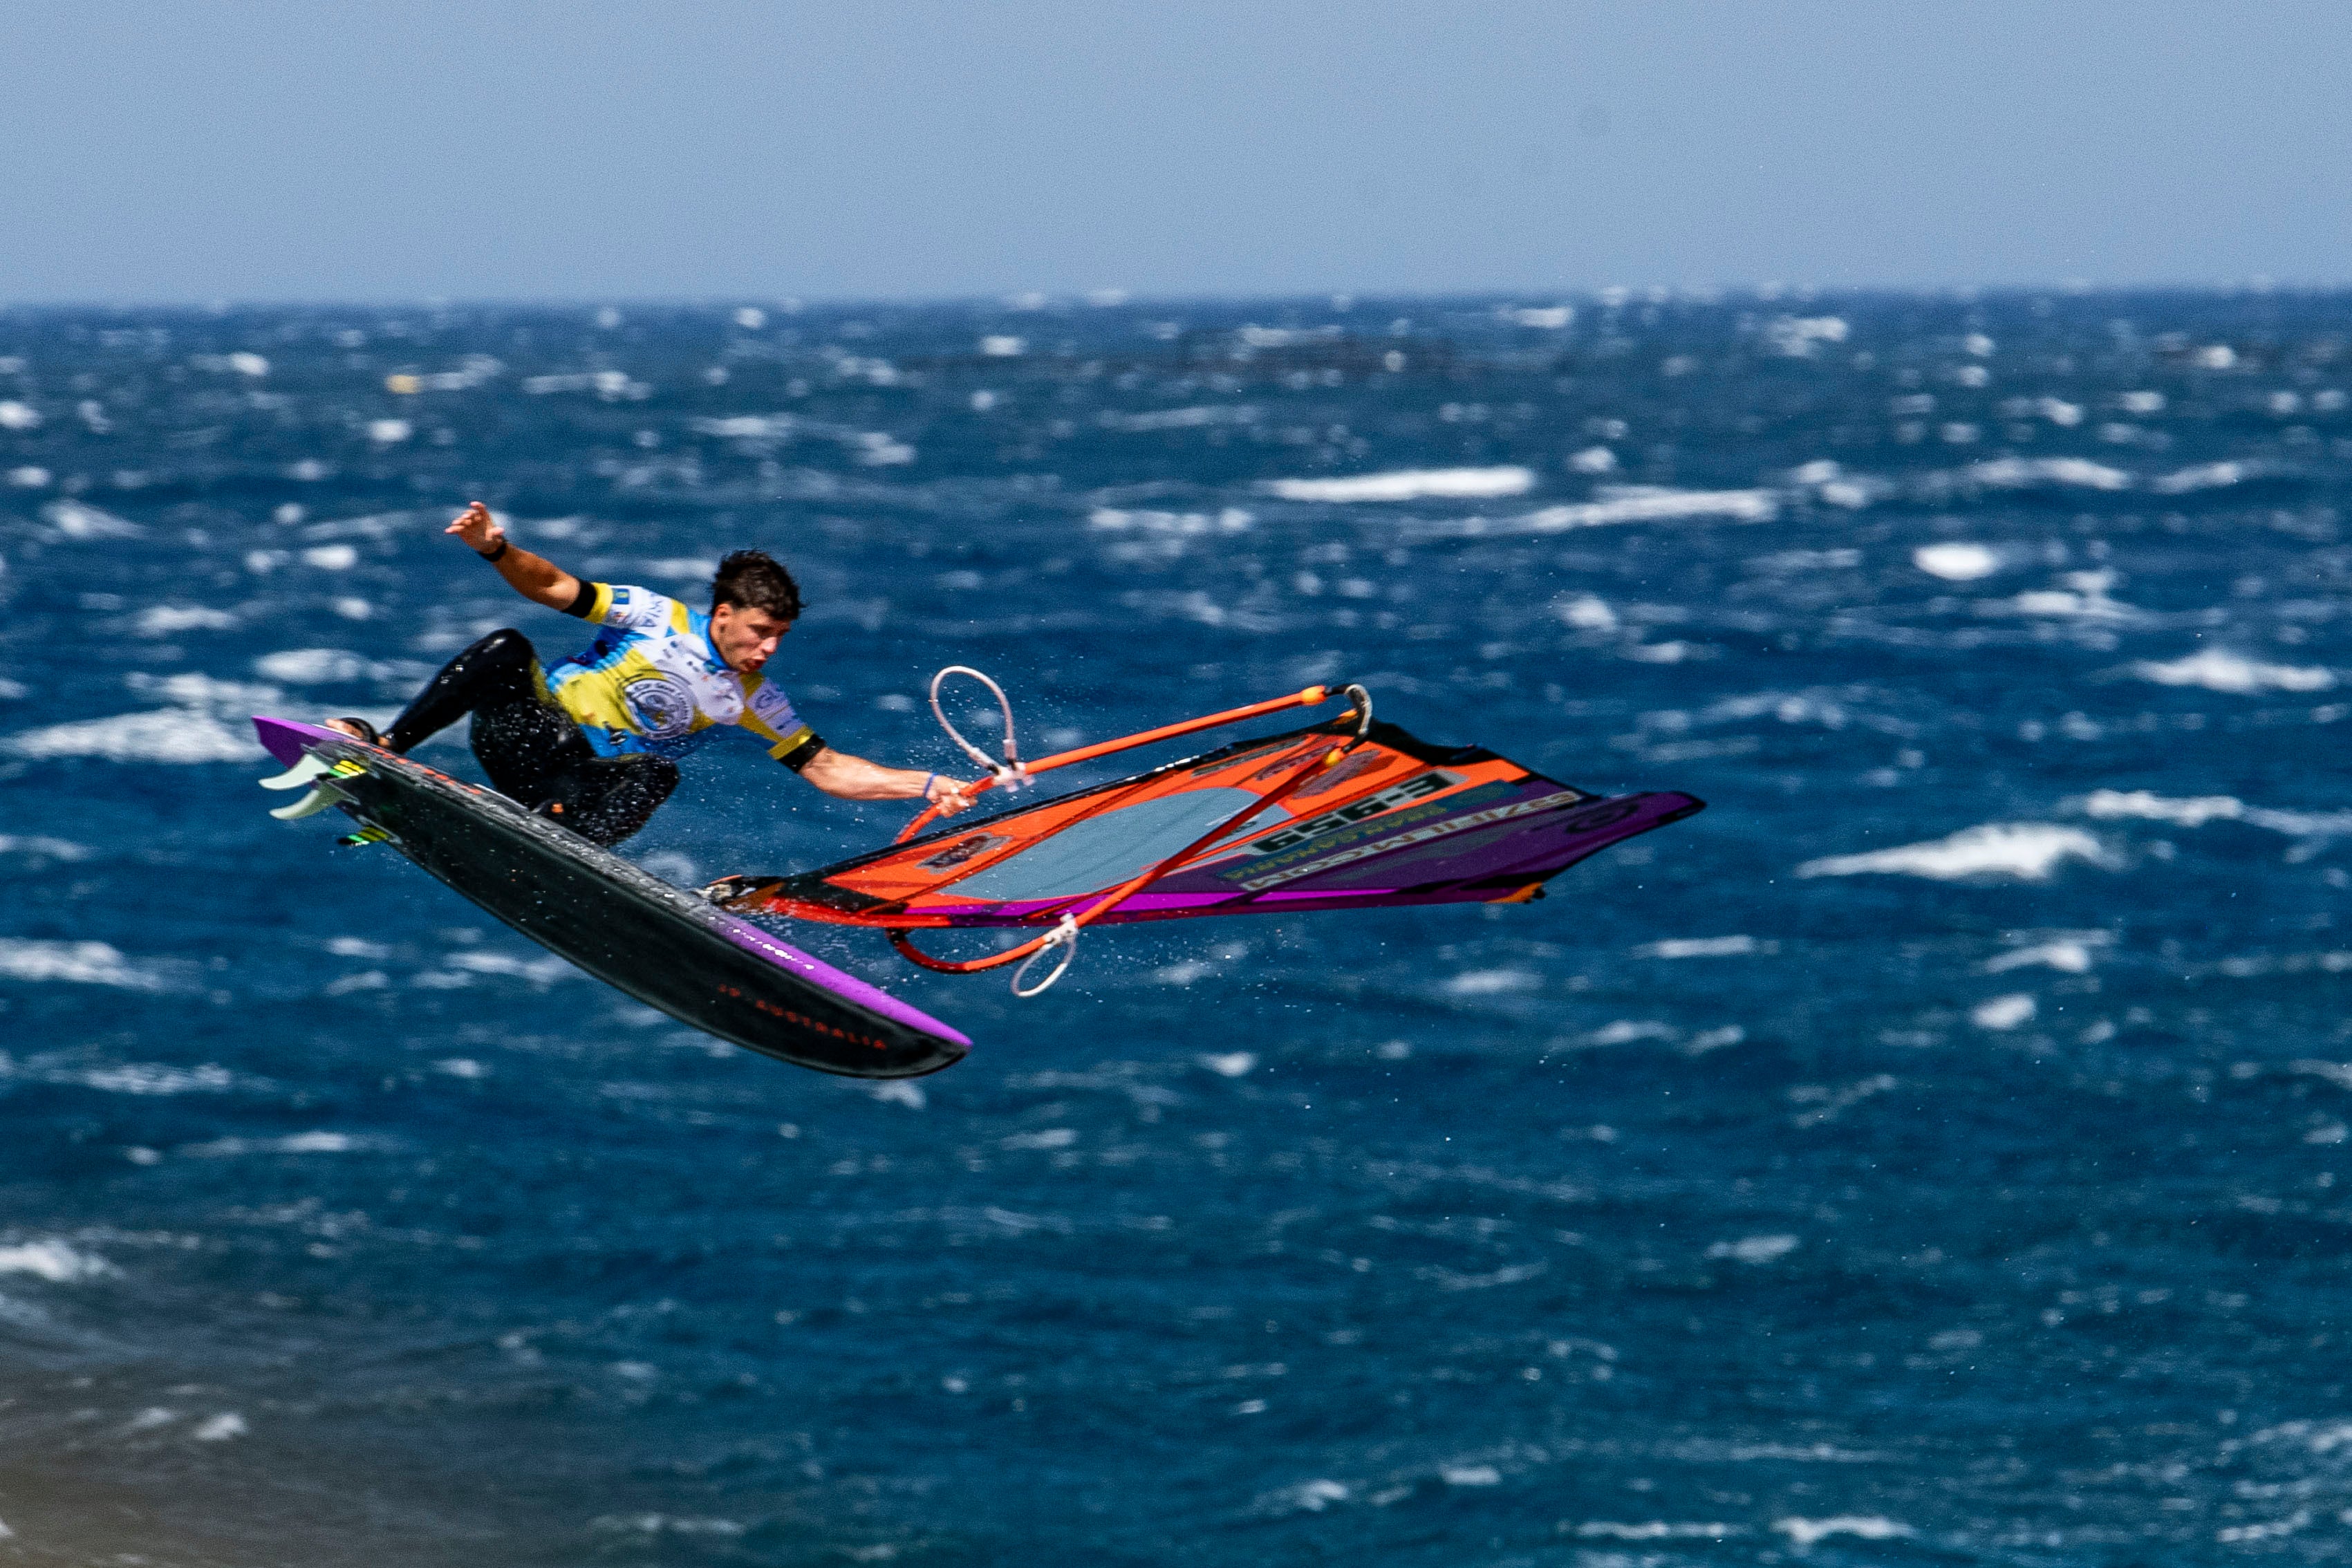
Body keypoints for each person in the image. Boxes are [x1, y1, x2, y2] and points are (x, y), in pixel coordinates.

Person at [323, 502, 971, 846]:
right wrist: (496, 548)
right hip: (528, 736)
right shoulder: (655, 617)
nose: (770, 648)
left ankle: (563, 848)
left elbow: (828, 769)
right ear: (723, 615)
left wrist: (928, 784)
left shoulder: (755, 699)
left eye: (781, 637)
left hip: (580, 787)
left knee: (657, 771)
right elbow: (553, 587)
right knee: (504, 646)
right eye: (761, 631)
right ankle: (386, 746)